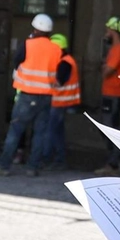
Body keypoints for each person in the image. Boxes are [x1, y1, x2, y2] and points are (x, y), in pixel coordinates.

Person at [0, 13, 59, 177]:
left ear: (35, 28)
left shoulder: (27, 44)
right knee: (39, 133)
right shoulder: (55, 49)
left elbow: (17, 61)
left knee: (15, 131)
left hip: (27, 95)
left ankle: (4, 165)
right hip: (46, 96)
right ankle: (32, 167)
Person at [94, 16, 120, 177]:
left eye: (108, 29)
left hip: (114, 94)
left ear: (114, 31)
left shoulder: (118, 50)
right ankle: (115, 158)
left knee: (109, 129)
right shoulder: (117, 49)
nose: (106, 32)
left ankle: (114, 162)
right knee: (107, 127)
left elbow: (106, 71)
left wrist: (103, 67)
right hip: (111, 93)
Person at [40, 33, 79, 171]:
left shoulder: (64, 63)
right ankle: (60, 160)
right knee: (57, 132)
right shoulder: (67, 60)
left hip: (58, 102)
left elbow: (57, 82)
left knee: (49, 131)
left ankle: (45, 158)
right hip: (62, 102)